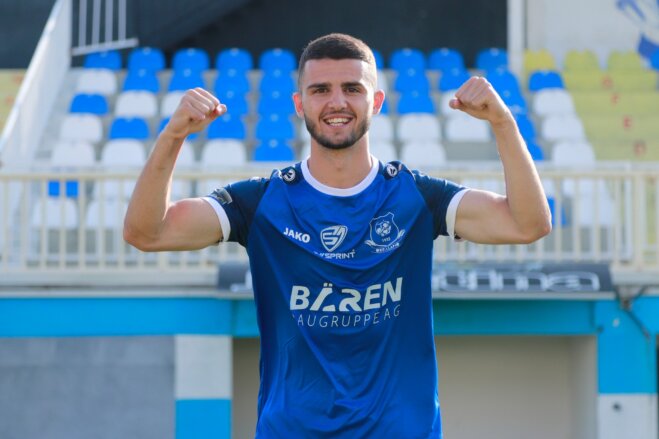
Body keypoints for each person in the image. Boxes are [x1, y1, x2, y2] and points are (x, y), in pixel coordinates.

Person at [124, 33, 551, 438]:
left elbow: (527, 224)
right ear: (299, 104)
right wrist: (174, 134)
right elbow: (147, 232)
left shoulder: (415, 197)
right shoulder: (262, 202)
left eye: (352, 88)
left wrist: (503, 122)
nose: (337, 102)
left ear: (376, 101)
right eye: (320, 90)